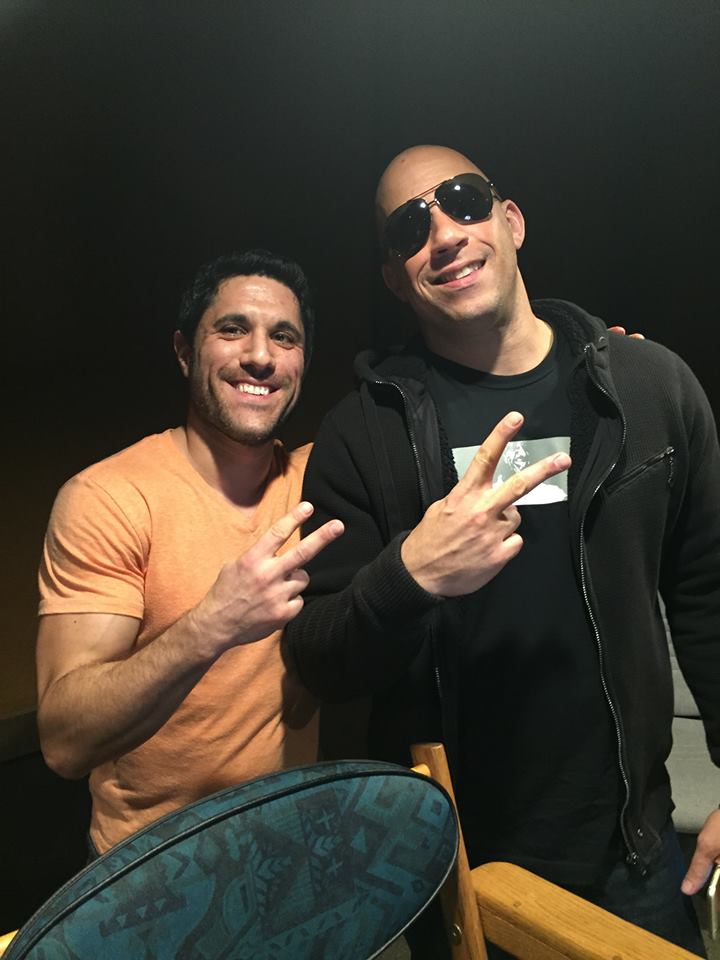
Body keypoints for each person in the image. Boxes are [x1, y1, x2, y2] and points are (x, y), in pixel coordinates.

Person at [283, 146, 720, 956]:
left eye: (463, 201)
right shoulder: (362, 434)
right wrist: (410, 575)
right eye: (410, 228)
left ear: (511, 221)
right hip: (454, 869)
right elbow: (317, 658)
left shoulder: (647, 386)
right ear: (394, 277)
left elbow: (708, 591)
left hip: (635, 854)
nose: (444, 234)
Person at [36, 249, 343, 855]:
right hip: (155, 866)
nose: (260, 356)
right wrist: (214, 624)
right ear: (184, 351)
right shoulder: (109, 498)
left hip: (292, 847)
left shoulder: (321, 480)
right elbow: (65, 743)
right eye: (232, 329)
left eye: (284, 337)